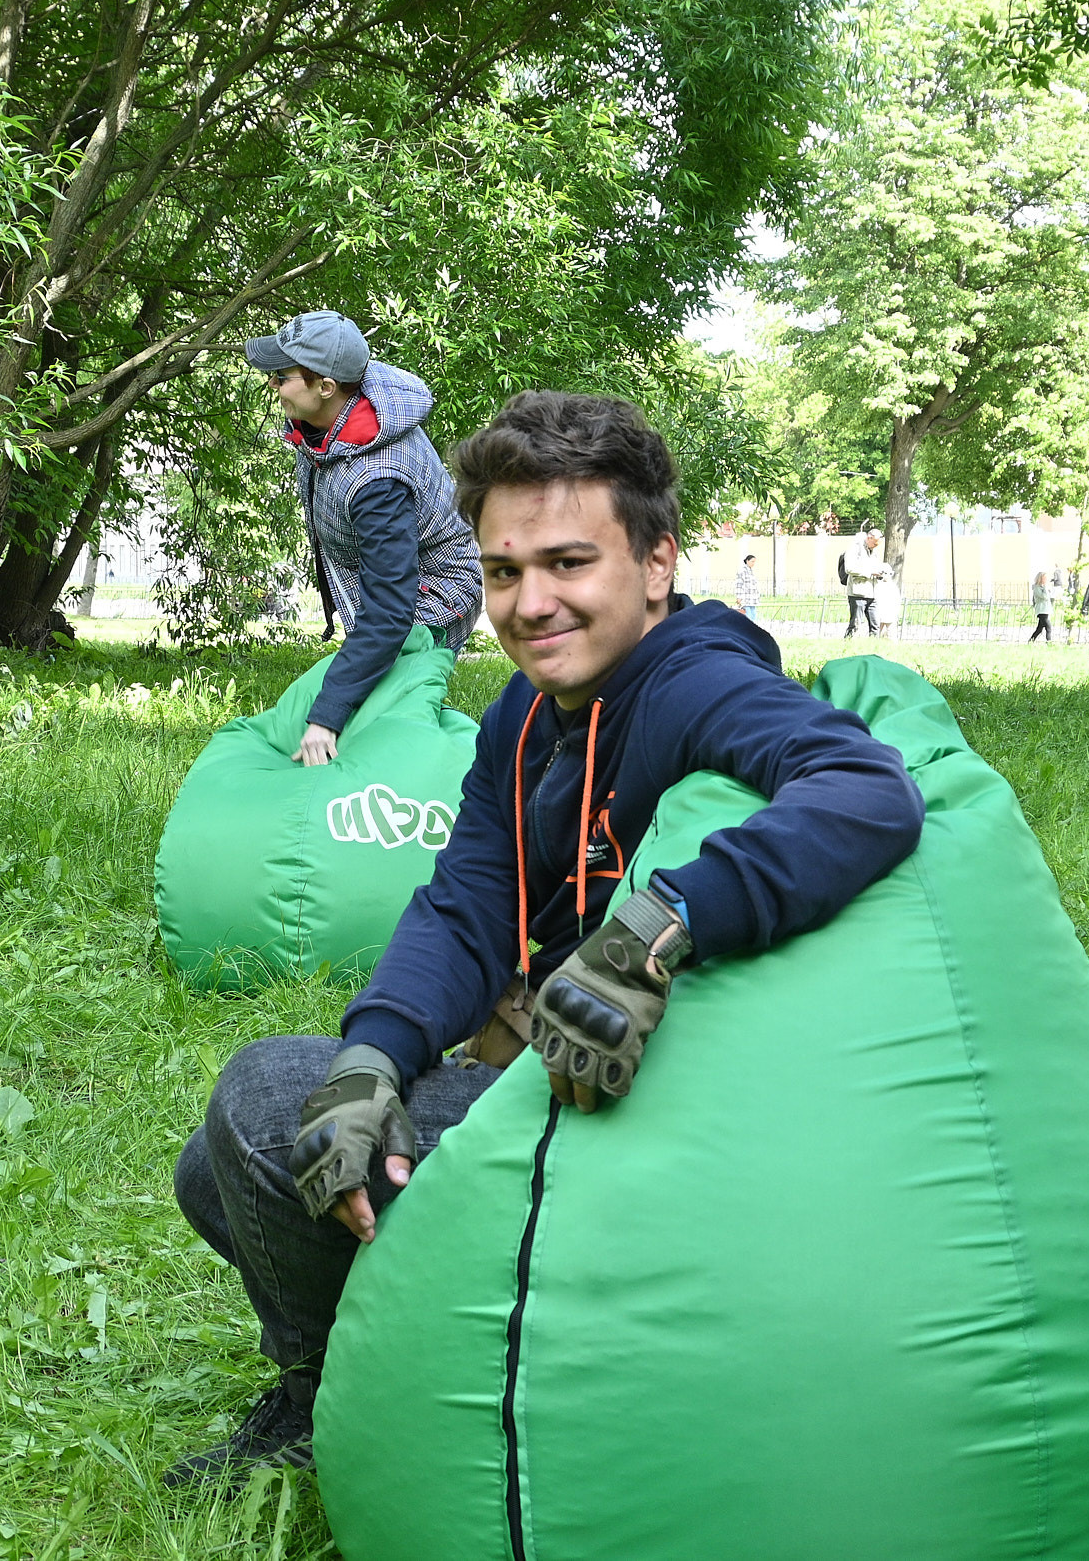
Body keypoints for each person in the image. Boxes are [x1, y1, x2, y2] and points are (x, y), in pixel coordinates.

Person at [166, 392, 926, 1483]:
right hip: (558, 1079)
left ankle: (333, 1411)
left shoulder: (699, 678)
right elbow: (464, 906)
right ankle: (418, 1367)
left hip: (656, 1121)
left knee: (257, 1101)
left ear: (656, 563)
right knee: (227, 1162)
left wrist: (660, 926)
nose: (530, 603)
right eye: (503, 570)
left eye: (569, 563)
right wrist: (373, 1055)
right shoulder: (520, 719)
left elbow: (866, 789)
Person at [248, 310, 485, 767]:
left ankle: (453, 776)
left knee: (377, 720)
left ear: (326, 386)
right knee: (359, 702)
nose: (273, 385)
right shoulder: (332, 416)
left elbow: (391, 610)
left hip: (435, 590)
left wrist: (327, 717)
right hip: (390, 586)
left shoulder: (379, 480)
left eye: (282, 377)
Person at [842, 529, 891, 637]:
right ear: (869, 537)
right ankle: (848, 643)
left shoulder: (874, 551)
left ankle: (873, 645)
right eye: (875, 543)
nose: (876, 546)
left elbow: (876, 567)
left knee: (875, 626)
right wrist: (870, 572)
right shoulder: (855, 548)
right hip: (857, 593)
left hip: (872, 594)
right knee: (855, 624)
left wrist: (881, 573)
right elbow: (849, 568)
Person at [1028, 569, 1054, 642]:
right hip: (1041, 610)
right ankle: (1049, 641)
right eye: (1044, 578)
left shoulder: (1044, 587)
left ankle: (1031, 641)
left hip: (1046, 609)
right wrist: (1045, 588)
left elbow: (1050, 596)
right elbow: (1045, 597)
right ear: (1040, 578)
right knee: (1048, 627)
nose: (1046, 580)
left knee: (1039, 629)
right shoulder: (1037, 588)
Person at [735, 552, 762, 622]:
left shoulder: (751, 571)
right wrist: (739, 597)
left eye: (754, 562)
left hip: (752, 598)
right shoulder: (742, 571)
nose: (753, 563)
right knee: (748, 616)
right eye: (752, 561)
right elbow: (739, 584)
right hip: (745, 598)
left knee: (754, 616)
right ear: (747, 561)